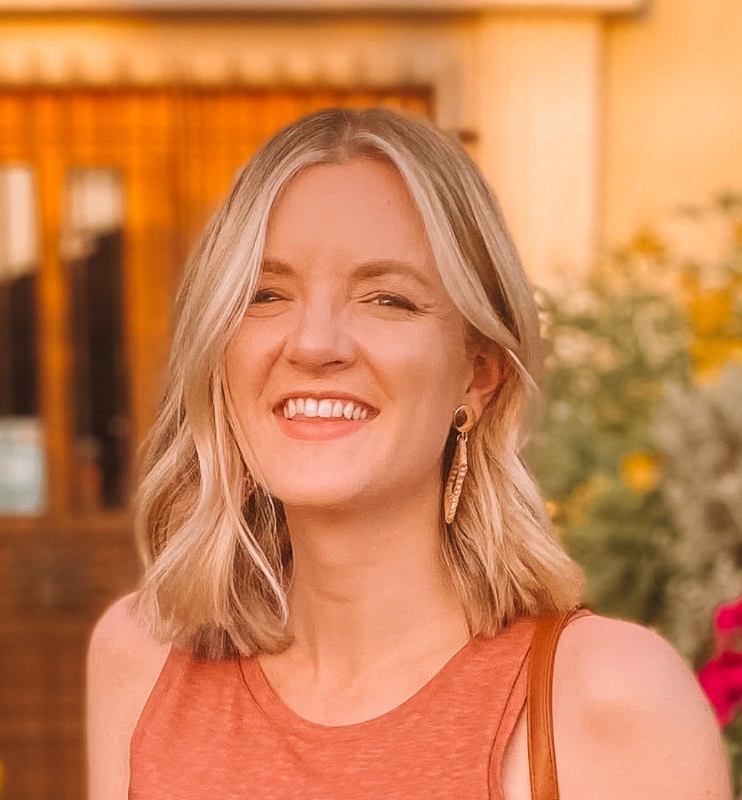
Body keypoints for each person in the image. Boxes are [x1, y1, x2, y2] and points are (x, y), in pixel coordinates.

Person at [86, 107, 731, 800]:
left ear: (478, 374)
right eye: (265, 294)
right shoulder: (141, 661)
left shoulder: (610, 700)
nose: (313, 343)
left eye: (387, 299)